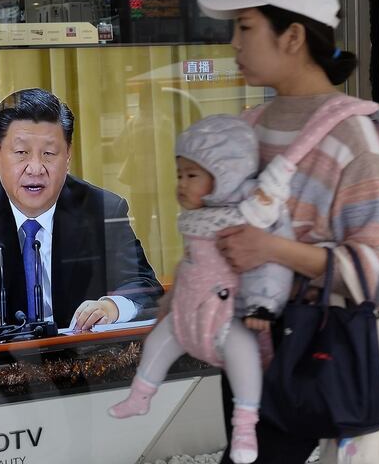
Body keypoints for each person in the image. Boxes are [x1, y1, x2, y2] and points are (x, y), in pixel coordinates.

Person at [195, 0, 379, 463]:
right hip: (243, 349)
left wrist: (273, 249)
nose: (233, 43)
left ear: (292, 36)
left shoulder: (352, 137)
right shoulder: (245, 128)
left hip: (309, 357)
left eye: (245, 27)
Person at [108, 115, 293, 464]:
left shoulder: (246, 220)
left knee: (244, 362)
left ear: (225, 176)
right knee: (158, 343)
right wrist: (173, 297)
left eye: (192, 175)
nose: (181, 184)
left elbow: (269, 269)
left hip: (227, 315)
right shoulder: (195, 219)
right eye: (179, 175)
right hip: (189, 312)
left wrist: (261, 306)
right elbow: (189, 264)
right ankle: (142, 392)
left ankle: (245, 427)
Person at [0, 88, 163, 338]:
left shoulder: (102, 210)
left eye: (49, 153)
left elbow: (145, 287)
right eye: (21, 153)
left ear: (67, 155)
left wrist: (111, 307)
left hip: (83, 361)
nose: (35, 169)